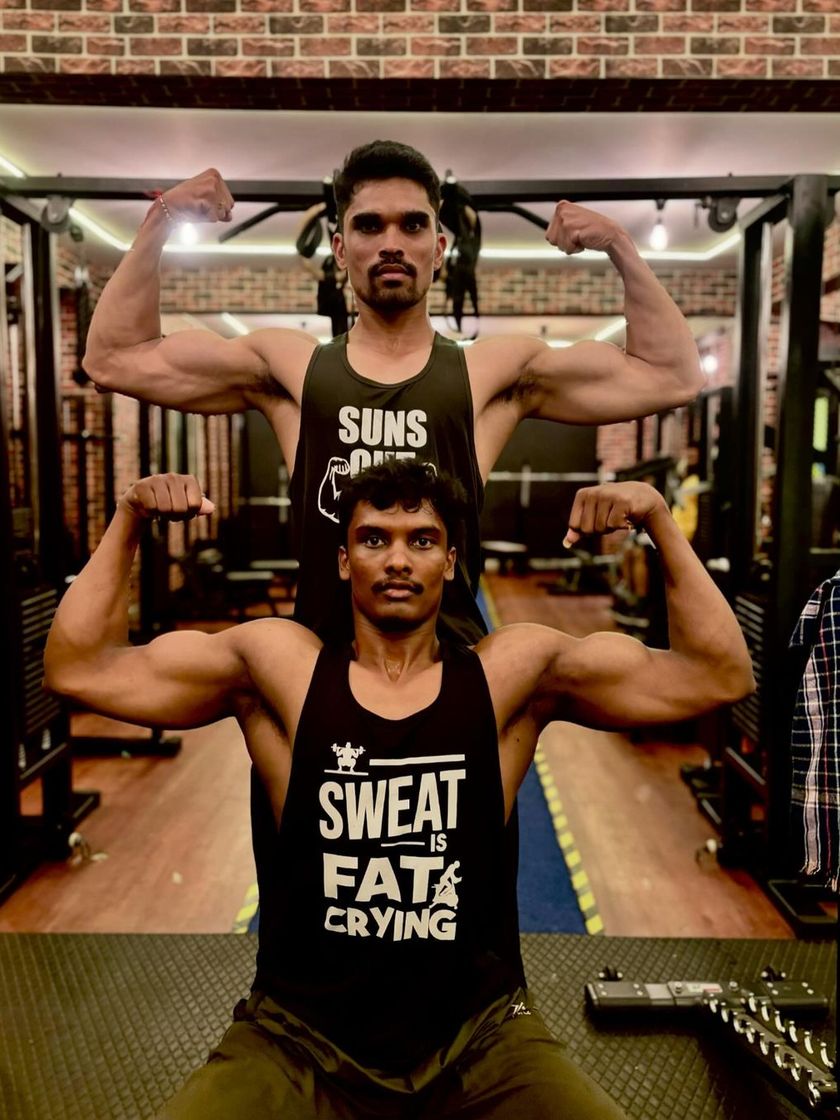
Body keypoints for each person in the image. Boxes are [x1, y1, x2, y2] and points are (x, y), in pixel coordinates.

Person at [44, 459, 755, 1120]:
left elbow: (716, 674)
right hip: (296, 1041)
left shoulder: (511, 678)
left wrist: (659, 518)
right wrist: (129, 516)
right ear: (343, 559)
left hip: (481, 1042)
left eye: (421, 540)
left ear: (450, 561)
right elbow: (79, 668)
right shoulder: (279, 671)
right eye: (374, 539)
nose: (396, 559)